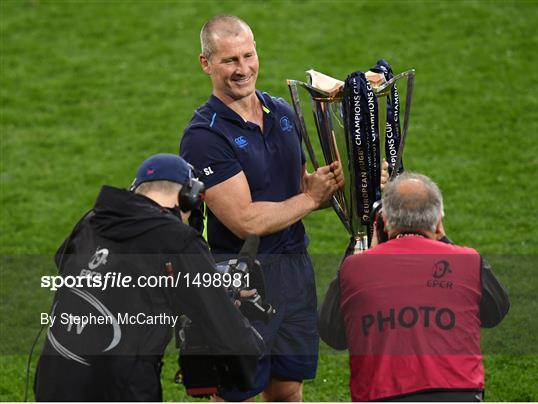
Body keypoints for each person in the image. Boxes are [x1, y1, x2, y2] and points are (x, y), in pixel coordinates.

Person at [179, 14, 349, 401]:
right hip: (238, 280)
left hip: (293, 269)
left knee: (288, 387)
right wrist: (309, 198)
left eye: (249, 56)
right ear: (205, 63)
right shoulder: (205, 136)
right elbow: (244, 220)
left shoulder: (282, 114)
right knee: (236, 392)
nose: (243, 70)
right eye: (230, 60)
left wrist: (353, 182)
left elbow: (299, 190)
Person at [34, 153, 263, 401]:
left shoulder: (90, 221)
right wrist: (252, 348)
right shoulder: (179, 240)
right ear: (189, 197)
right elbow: (224, 323)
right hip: (123, 387)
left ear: (136, 189)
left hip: (54, 379)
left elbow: (64, 261)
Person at [319, 172, 510, 402]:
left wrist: (362, 247)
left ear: (385, 221)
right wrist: (445, 241)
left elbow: (332, 334)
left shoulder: (353, 269)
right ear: (438, 221)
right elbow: (496, 311)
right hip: (458, 394)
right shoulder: (468, 261)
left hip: (382, 396)